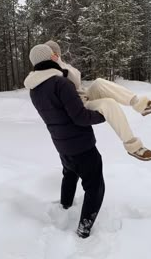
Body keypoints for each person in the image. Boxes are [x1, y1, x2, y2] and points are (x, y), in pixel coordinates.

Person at [24, 44, 106, 238]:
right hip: (81, 145)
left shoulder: (34, 89)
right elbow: (80, 117)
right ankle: (84, 228)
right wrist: (103, 115)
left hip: (62, 144)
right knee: (95, 186)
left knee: (69, 174)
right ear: (52, 59)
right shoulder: (60, 83)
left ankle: (65, 205)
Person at [41, 40, 151, 161]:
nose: (55, 55)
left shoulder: (61, 65)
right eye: (52, 53)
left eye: (57, 53)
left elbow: (76, 77)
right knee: (109, 103)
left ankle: (140, 105)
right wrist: (58, 64)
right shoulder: (46, 73)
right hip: (78, 104)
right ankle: (133, 146)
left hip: (84, 95)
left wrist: (60, 62)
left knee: (99, 82)